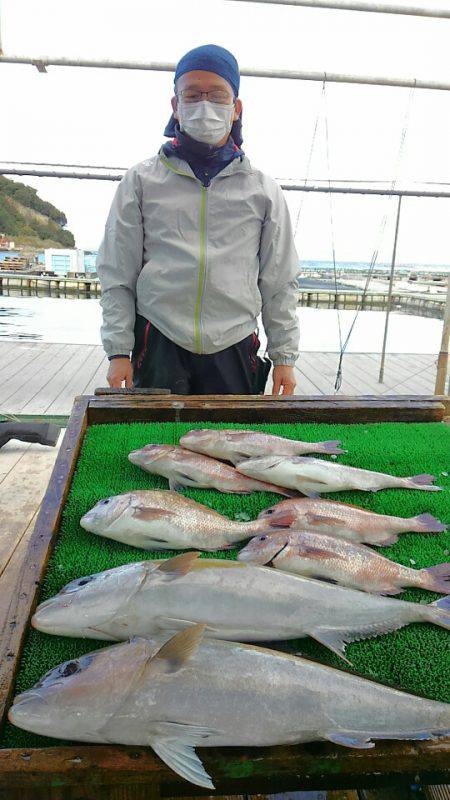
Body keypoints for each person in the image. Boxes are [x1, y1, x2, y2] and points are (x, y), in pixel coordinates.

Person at [96, 44, 299, 395]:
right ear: (176, 106)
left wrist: (284, 356)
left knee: (229, 431)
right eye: (192, 95)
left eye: (217, 95)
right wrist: (118, 351)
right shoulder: (141, 181)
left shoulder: (263, 190)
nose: (204, 105)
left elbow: (279, 279)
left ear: (235, 108)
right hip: (159, 340)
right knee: (157, 431)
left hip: (234, 342)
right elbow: (117, 270)